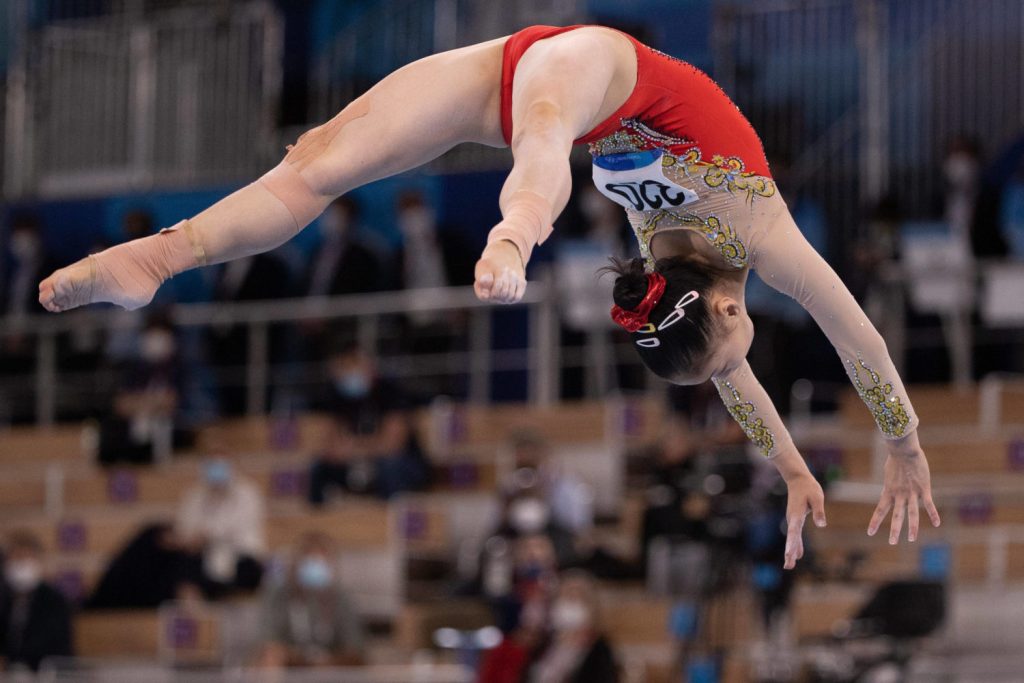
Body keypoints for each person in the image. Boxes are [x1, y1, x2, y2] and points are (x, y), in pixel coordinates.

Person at [38, 24, 938, 565]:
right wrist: (902, 444)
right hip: (583, 70)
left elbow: (727, 367)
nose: (739, 376)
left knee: (314, 165)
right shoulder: (761, 230)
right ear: (727, 310)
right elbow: (855, 334)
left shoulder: (679, 272)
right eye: (732, 360)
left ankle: (161, 255)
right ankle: (514, 236)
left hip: (506, 71)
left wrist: (791, 466)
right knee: (544, 145)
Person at [258, 533, 365, 669]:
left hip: (332, 668)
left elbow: (355, 648)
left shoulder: (341, 598)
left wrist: (325, 664)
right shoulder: (278, 595)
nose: (316, 568)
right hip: (291, 666)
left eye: (322, 562)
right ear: (297, 563)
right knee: (270, 658)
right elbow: (269, 643)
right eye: (311, 561)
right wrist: (300, 660)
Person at [175, 458, 266, 598]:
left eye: (221, 466)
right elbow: (185, 527)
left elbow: (236, 527)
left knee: (245, 569)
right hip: (203, 556)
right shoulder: (194, 496)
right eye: (212, 466)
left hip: (240, 554)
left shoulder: (247, 493)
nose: (216, 471)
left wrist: (207, 535)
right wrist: (195, 538)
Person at [522, 570, 618, 683]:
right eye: (566, 596)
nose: (570, 603)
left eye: (577, 597)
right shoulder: (544, 643)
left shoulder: (599, 650)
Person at [0, 531, 74, 672]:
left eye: (25, 558)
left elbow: (54, 646)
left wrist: (10, 661)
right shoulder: (5, 600)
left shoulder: (54, 601)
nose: (20, 565)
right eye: (15, 559)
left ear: (38, 562)